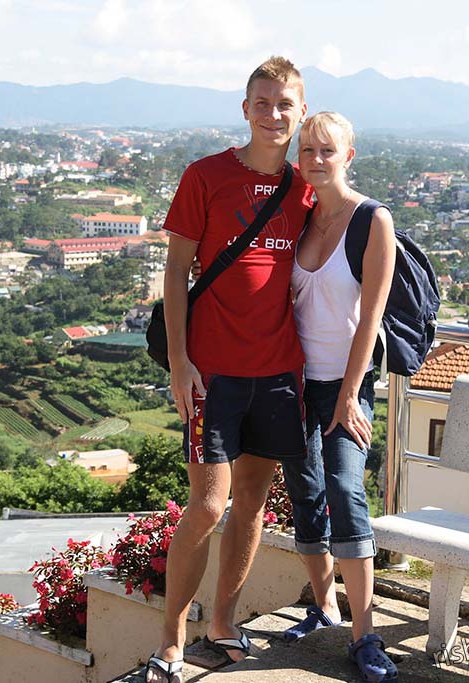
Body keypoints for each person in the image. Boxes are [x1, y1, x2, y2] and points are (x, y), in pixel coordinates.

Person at [147, 56, 312, 683]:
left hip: (277, 374)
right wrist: (181, 363)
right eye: (263, 103)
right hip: (212, 373)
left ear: (300, 113)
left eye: (285, 105)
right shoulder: (206, 176)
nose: (274, 115)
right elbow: (175, 274)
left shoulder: (305, 189)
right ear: (246, 110)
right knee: (208, 506)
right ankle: (172, 638)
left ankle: (223, 621)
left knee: (251, 505)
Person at [280, 111, 399, 682]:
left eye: (327, 150)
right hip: (294, 385)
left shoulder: (371, 220)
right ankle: (323, 607)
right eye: (306, 150)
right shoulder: (296, 219)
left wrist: (350, 396)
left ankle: (365, 633)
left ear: (348, 155)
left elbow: (370, 318)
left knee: (346, 489)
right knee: (305, 493)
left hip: (345, 386)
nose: (315, 159)